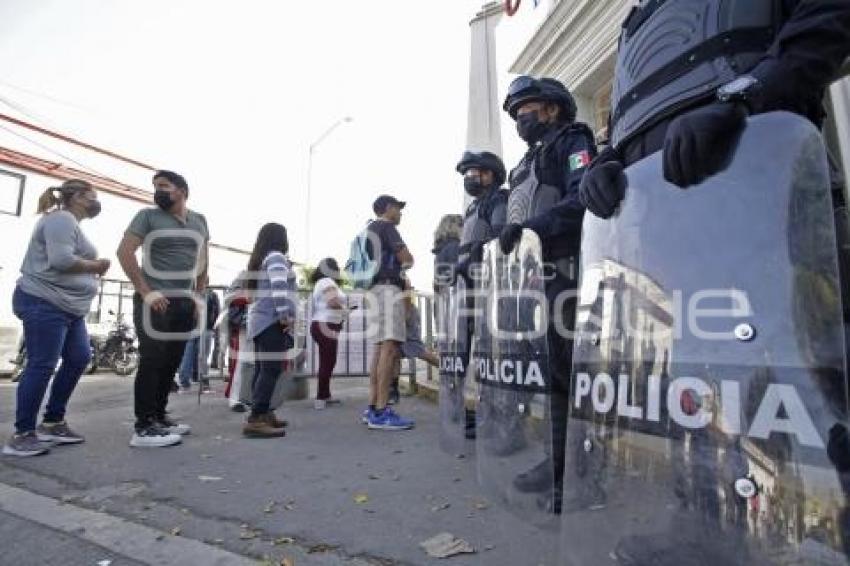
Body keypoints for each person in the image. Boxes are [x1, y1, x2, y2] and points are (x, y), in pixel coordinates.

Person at [579, 1, 850, 217]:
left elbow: (828, 17)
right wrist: (608, 161)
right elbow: (628, 119)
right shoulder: (632, 31)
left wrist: (745, 95)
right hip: (670, 243)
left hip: (772, 211)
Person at [496, 76, 596, 503]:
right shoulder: (526, 163)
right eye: (516, 114)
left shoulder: (573, 141)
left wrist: (531, 229)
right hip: (533, 282)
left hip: (566, 276)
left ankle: (585, 477)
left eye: (527, 110)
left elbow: (582, 198)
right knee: (549, 376)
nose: (521, 119)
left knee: (571, 376)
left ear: (552, 108)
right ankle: (559, 462)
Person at [3, 180, 109, 457]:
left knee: (79, 358)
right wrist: (97, 266)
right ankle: (22, 434)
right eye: (92, 197)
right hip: (44, 302)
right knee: (42, 364)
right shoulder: (60, 219)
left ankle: (53, 422)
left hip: (69, 308)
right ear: (76, 197)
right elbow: (61, 261)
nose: (96, 203)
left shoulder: (70, 224)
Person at [117, 170, 209, 448]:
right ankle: (143, 427)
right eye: (155, 186)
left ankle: (158, 416)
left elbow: (203, 260)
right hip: (155, 301)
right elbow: (124, 251)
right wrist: (146, 291)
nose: (157, 191)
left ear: (182, 190)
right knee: (152, 360)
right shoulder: (147, 216)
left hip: (184, 302)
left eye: (163, 186)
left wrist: (197, 297)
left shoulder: (199, 220)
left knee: (172, 360)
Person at [452, 150, 509, 439]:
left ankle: (501, 420)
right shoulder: (473, 208)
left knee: (492, 353)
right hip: (468, 289)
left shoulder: (497, 200)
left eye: (476, 172)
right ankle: (476, 412)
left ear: (491, 175)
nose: (470, 178)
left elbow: (497, 235)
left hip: (489, 287)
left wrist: (475, 256)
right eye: (467, 173)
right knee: (471, 352)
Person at [363, 195, 415, 430]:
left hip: (373, 290)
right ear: (387, 209)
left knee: (379, 348)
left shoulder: (368, 230)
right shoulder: (387, 227)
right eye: (398, 208)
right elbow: (407, 259)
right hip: (387, 289)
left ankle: (373, 407)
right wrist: (408, 261)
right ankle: (382, 410)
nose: (401, 213)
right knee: (389, 347)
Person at [242, 222, 296, 438]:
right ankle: (256, 418)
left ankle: (263, 413)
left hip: (261, 321)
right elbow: (279, 287)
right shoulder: (276, 257)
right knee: (270, 369)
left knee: (263, 368)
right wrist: (284, 316)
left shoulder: (262, 258)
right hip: (271, 321)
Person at [309, 257, 348, 410]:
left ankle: (325, 395)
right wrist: (345, 310)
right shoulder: (327, 282)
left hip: (323, 325)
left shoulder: (322, 282)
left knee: (328, 361)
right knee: (327, 361)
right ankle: (320, 397)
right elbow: (332, 302)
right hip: (325, 325)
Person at [177, 279, 220, 394]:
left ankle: (184, 382)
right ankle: (204, 384)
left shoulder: (190, 293)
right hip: (206, 328)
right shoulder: (212, 294)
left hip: (191, 328)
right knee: (203, 356)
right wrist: (213, 326)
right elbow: (216, 312)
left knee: (187, 354)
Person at [431, 214, 462, 295]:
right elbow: (457, 273)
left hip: (445, 296)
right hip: (455, 294)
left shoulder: (440, 251)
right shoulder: (454, 246)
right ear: (452, 227)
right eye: (460, 224)